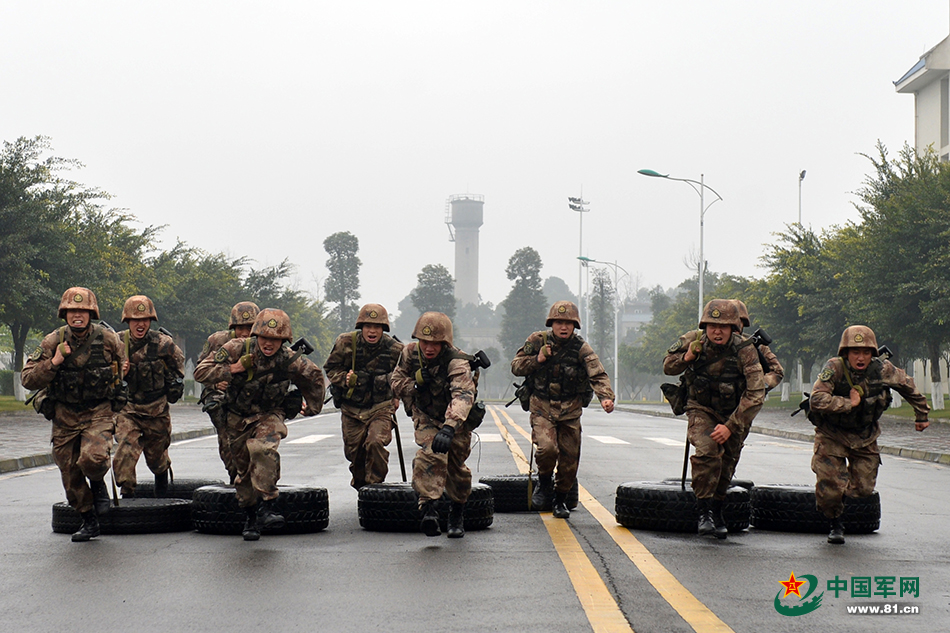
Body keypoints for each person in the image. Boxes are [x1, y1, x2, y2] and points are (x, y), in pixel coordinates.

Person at [194, 308, 325, 541]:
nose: (269, 344)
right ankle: (251, 517)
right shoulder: (236, 348)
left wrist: (313, 407)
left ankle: (268, 505)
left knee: (262, 450)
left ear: (284, 340)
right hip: (236, 417)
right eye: (265, 338)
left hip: (269, 414)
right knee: (241, 472)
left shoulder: (289, 360)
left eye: (275, 339)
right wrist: (233, 369)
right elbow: (201, 371)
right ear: (256, 336)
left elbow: (314, 376)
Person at [21, 287, 126, 542]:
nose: (77, 315)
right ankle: (89, 521)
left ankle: (99, 484)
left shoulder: (109, 339)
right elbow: (27, 379)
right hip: (65, 416)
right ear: (64, 313)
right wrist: (54, 361)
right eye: (72, 311)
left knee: (92, 458)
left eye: (82, 311)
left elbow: (124, 367)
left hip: (98, 412)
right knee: (69, 474)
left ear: (91, 313)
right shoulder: (51, 341)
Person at [808, 325, 929, 544]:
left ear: (872, 353)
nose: (860, 357)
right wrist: (848, 402)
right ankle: (835, 522)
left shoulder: (882, 369)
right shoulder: (833, 368)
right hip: (832, 435)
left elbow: (908, 386)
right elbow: (816, 399)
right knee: (830, 493)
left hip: (865, 436)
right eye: (855, 352)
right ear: (845, 353)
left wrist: (921, 414)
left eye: (865, 352)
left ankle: (840, 495)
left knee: (864, 489)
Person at [663, 299, 765, 539]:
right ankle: (704, 512)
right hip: (701, 409)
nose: (717, 331)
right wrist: (686, 358)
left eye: (723, 327)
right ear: (704, 326)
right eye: (712, 326)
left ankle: (717, 509)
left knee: (726, 464)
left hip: (735, 414)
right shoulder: (692, 339)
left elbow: (755, 393)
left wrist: (731, 426)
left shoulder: (745, 349)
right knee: (708, 451)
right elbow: (668, 366)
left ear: (733, 328)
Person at [510, 300, 615, 519]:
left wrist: (605, 397)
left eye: (568, 323)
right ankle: (544, 482)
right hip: (542, 406)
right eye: (559, 322)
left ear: (575, 325)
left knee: (569, 461)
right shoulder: (537, 341)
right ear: (552, 324)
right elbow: (516, 366)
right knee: (547, 448)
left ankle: (560, 500)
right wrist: (537, 359)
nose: (564, 327)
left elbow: (597, 374)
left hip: (570, 410)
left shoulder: (581, 348)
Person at [390, 312, 476, 538]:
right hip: (426, 415)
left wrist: (449, 427)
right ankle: (428, 508)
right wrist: (414, 384)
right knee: (430, 454)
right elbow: (395, 381)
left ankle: (457, 512)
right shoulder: (409, 353)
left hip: (454, 420)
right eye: (424, 342)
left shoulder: (456, 361)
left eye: (435, 343)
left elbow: (464, 395)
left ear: (444, 343)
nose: (428, 348)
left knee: (456, 468)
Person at [324, 303, 404, 490]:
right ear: (361, 327)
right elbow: (330, 368)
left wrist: (397, 395)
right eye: (368, 326)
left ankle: (375, 487)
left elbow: (405, 374)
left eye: (377, 327)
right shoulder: (345, 343)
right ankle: (362, 483)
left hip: (381, 407)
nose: (372, 331)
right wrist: (345, 378)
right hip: (352, 410)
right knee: (355, 454)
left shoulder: (396, 349)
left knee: (375, 443)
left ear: (383, 329)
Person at [112, 295, 185, 497]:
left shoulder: (164, 344)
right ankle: (127, 495)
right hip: (128, 410)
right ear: (127, 321)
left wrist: (172, 382)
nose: (140, 324)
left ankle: (162, 488)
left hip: (157, 410)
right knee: (125, 452)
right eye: (135, 320)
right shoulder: (115, 343)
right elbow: (101, 374)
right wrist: (119, 373)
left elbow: (179, 368)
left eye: (144, 319)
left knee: (156, 458)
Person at [196, 301, 260, 484]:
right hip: (222, 400)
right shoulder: (218, 341)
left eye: (250, 327)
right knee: (228, 445)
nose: (245, 333)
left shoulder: (263, 343)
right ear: (233, 327)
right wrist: (220, 380)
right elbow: (202, 370)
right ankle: (236, 478)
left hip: (251, 401)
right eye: (241, 328)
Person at [732, 299, 784, 391]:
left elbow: (777, 372)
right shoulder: (705, 344)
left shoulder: (755, 345)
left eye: (738, 322)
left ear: (743, 324)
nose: (734, 326)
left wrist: (757, 385)